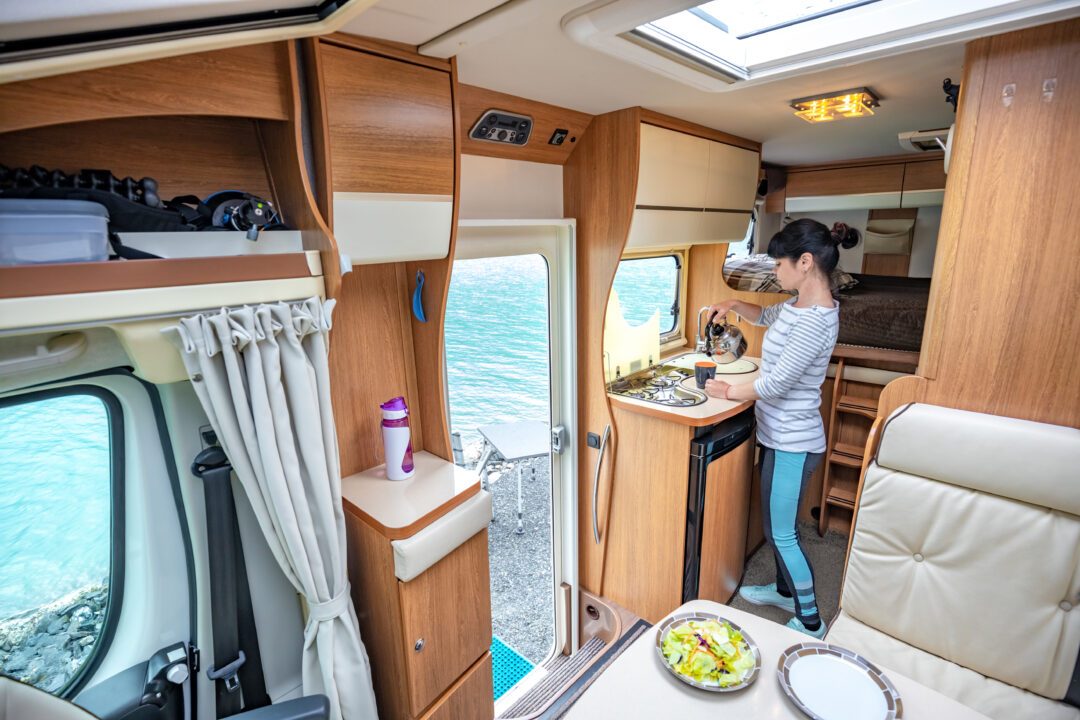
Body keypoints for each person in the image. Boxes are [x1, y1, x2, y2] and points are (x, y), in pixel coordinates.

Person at [704, 218, 860, 638]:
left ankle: (810, 618)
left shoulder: (816, 321)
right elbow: (767, 316)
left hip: (794, 442)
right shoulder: (797, 306)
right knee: (776, 528)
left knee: (783, 533)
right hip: (779, 435)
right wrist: (734, 306)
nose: (774, 271)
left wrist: (725, 389)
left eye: (778, 264)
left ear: (805, 262)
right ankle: (782, 591)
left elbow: (776, 383)